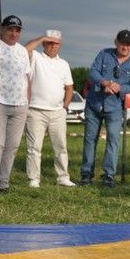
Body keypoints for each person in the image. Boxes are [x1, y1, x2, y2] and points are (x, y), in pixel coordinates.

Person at [0, 15, 46, 191]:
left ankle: (4, 182)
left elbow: (26, 78)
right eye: (10, 29)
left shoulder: (22, 51)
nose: (14, 33)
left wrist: (27, 101)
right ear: (2, 28)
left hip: (20, 105)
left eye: (17, 30)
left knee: (12, 145)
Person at [79, 29, 130, 187]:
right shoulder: (104, 54)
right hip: (94, 104)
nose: (125, 47)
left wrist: (117, 88)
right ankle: (86, 175)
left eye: (128, 44)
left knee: (113, 141)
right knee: (89, 140)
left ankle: (108, 176)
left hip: (115, 107)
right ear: (116, 42)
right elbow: (93, 72)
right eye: (122, 43)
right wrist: (105, 83)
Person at [25, 30, 76, 188]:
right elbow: (25, 49)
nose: (53, 46)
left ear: (60, 45)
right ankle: (34, 179)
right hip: (35, 110)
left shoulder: (64, 64)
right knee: (34, 147)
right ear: (45, 43)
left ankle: (62, 177)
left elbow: (69, 88)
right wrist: (41, 38)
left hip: (57, 112)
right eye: (50, 42)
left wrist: (65, 107)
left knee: (61, 146)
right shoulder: (36, 58)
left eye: (56, 43)